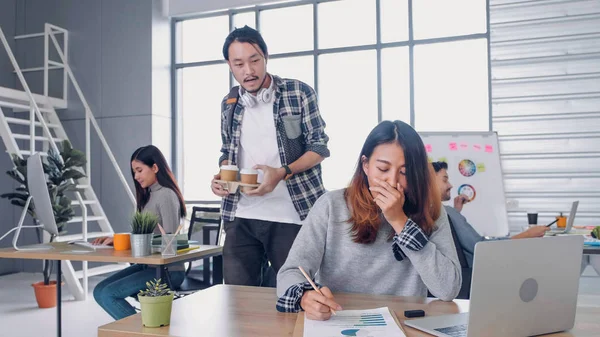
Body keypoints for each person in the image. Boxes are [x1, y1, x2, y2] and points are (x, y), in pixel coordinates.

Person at [276, 121, 461, 321]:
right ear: (366, 165)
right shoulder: (331, 205)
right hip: (340, 321)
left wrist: (400, 222)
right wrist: (304, 297)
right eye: (382, 169)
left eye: (405, 172)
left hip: (404, 324)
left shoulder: (431, 210)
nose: (392, 182)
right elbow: (290, 272)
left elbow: (448, 288)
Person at [211, 26, 330, 287]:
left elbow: (319, 148)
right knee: (238, 301)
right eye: (239, 63)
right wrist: (222, 174)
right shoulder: (229, 104)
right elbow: (226, 151)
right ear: (229, 65)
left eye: (254, 60)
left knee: (297, 295)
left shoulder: (298, 92)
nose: (248, 70)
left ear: (266, 56)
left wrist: (281, 173)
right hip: (240, 215)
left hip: (292, 215)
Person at [92, 145, 187, 320]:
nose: (135, 177)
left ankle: (144, 331)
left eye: (139, 170)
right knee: (99, 291)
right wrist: (119, 240)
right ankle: (144, 328)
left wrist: (133, 242)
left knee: (108, 295)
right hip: (148, 266)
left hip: (168, 271)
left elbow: (171, 243)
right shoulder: (148, 196)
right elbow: (144, 235)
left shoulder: (166, 195)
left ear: (155, 167)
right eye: (134, 172)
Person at [432, 161, 549, 269]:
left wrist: (456, 212)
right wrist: (527, 235)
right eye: (445, 180)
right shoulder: (446, 212)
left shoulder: (433, 212)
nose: (450, 185)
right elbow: (480, 246)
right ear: (430, 181)